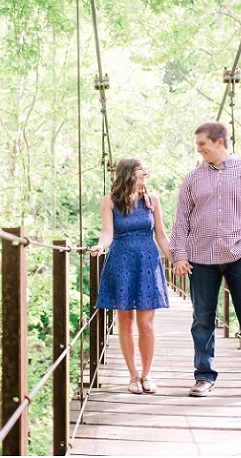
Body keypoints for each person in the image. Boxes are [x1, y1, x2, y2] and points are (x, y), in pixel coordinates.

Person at [169, 121, 241, 399]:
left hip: (239, 255)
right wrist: (179, 255)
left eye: (202, 144)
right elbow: (181, 221)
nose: (198, 149)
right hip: (201, 257)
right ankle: (204, 377)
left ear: (219, 142)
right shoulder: (192, 178)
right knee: (202, 320)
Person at [90, 157, 172, 394]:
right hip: (121, 261)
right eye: (140, 170)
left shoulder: (152, 200)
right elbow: (107, 233)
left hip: (147, 262)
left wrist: (177, 259)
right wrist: (100, 247)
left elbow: (162, 237)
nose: (145, 173)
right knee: (125, 321)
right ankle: (133, 376)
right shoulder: (109, 202)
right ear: (129, 174)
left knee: (145, 323)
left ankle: (147, 374)